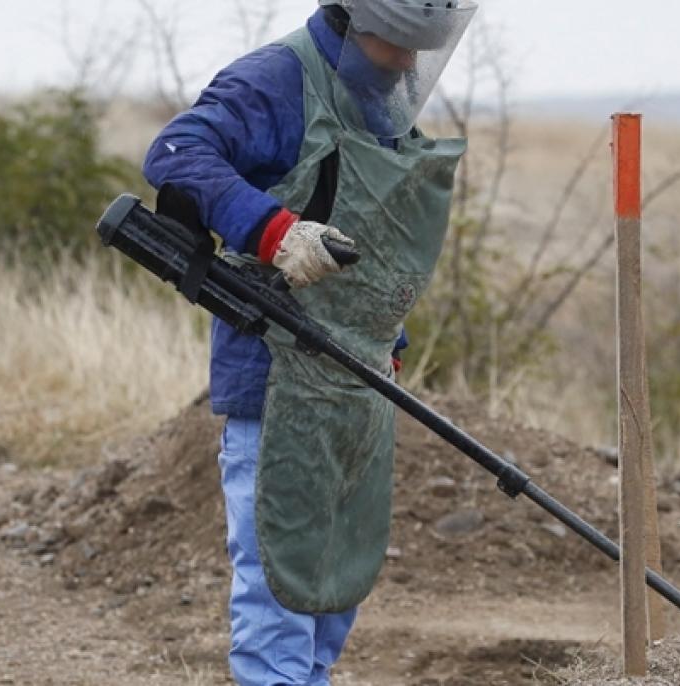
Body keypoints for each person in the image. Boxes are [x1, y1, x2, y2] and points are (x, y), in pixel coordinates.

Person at [141, 1, 478, 684]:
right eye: (396, 46)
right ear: (354, 22)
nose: (409, 64)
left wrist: (389, 338)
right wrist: (273, 230)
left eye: (419, 51)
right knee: (279, 590)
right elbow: (175, 153)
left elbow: (368, 239)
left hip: (355, 386)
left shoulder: (375, 97)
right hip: (276, 376)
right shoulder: (274, 81)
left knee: (331, 588)